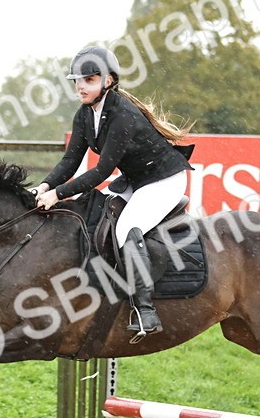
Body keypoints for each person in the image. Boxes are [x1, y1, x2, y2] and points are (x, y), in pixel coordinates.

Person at [33, 45, 192, 341]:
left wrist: (58, 195)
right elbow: (70, 160)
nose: (81, 85)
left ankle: (145, 312)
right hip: (136, 180)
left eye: (89, 79)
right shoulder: (84, 114)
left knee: (127, 230)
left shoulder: (123, 115)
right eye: (77, 80)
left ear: (108, 81)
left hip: (163, 181)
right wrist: (44, 186)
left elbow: (102, 171)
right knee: (98, 219)